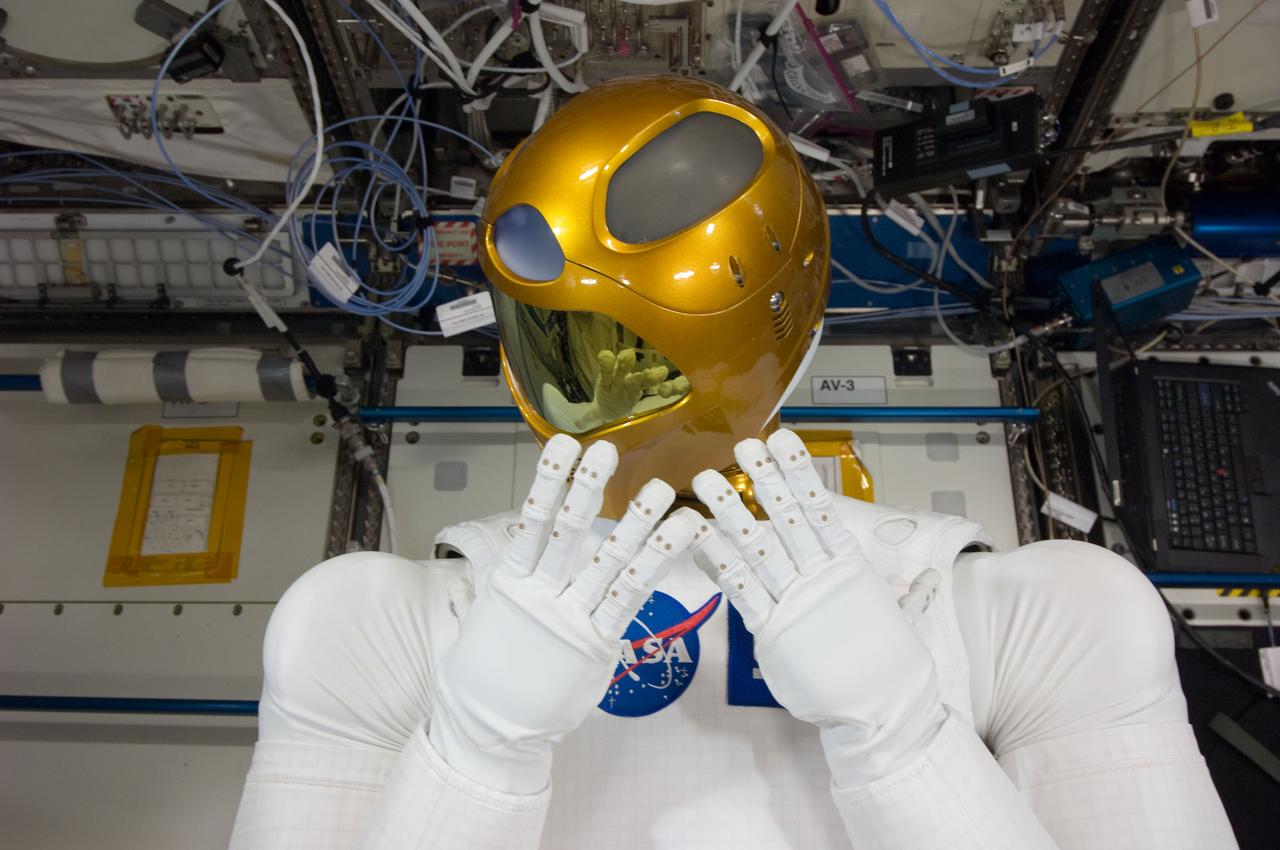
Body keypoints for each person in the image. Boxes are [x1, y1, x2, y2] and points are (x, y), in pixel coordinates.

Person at [228, 77, 1237, 849]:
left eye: (609, 347)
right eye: (540, 338)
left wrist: (904, 734)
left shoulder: (1040, 617)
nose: (561, 383)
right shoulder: (369, 626)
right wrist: (473, 749)